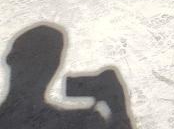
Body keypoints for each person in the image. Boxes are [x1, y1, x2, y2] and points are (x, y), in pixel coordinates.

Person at [0, 24, 133, 129]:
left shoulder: (79, 122)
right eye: (35, 59)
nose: (41, 69)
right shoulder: (77, 123)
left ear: (10, 58)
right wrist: (118, 110)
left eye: (45, 62)